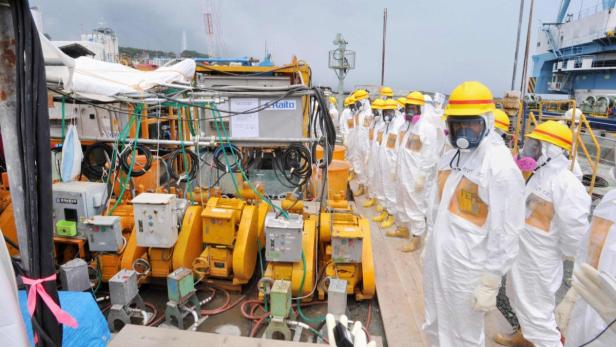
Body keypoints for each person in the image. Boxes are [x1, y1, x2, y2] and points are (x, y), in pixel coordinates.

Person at [423, 81, 526, 347]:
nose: (464, 133)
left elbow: (508, 230)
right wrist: (428, 242)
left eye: (472, 125)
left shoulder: (500, 167)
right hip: (439, 259)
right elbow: (437, 208)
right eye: (458, 125)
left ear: (487, 122)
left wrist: (491, 280)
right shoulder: (452, 158)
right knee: (434, 322)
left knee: (464, 335)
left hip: (468, 269)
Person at [496, 120, 591, 347]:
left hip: (541, 261)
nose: (530, 150)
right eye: (531, 144)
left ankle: (543, 341)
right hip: (522, 253)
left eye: (536, 146)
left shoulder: (566, 184)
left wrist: (565, 254)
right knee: (516, 297)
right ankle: (524, 338)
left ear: (552, 151)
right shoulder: (537, 175)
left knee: (537, 314)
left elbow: (576, 228)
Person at [558, 147, 616, 347]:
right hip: (590, 295)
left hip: (609, 313)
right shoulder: (611, 200)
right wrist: (574, 294)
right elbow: (590, 247)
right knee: (578, 337)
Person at [389, 92, 443, 252]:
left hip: (416, 175)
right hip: (404, 172)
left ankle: (417, 237)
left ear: (421, 108)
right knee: (401, 201)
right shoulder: (408, 126)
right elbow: (402, 149)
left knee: (415, 206)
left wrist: (422, 176)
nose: (410, 111)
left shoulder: (427, 128)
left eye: (414, 108)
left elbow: (430, 156)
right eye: (408, 108)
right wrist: (395, 168)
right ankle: (403, 228)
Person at [373, 99, 402, 228]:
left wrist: (394, 168)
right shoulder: (385, 126)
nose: (387, 114)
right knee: (384, 187)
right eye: (385, 111)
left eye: (390, 111)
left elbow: (397, 150)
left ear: (394, 112)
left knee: (390, 191)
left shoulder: (397, 128)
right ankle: (385, 211)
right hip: (382, 162)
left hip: (391, 165)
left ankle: (391, 215)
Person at [363, 99, 386, 208]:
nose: (375, 111)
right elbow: (370, 138)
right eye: (374, 109)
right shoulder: (375, 122)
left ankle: (380, 202)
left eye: (377, 110)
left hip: (379, 155)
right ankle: (373, 196)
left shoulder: (384, 125)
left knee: (379, 178)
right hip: (372, 153)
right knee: (372, 175)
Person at [350, 89, 372, 197]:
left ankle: (368, 189)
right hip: (358, 145)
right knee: (358, 165)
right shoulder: (359, 113)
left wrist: (369, 149)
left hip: (366, 146)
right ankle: (361, 185)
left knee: (367, 168)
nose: (356, 104)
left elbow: (370, 132)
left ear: (363, 101)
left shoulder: (369, 114)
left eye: (358, 101)